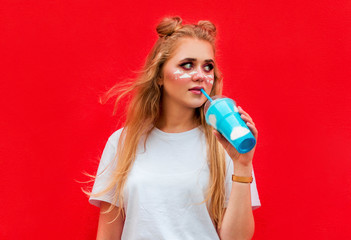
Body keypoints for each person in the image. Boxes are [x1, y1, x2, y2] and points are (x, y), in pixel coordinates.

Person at [84, 16, 261, 240]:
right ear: (159, 75)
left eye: (208, 67)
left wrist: (243, 165)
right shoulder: (123, 142)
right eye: (187, 65)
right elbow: (107, 235)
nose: (200, 75)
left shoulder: (225, 144)